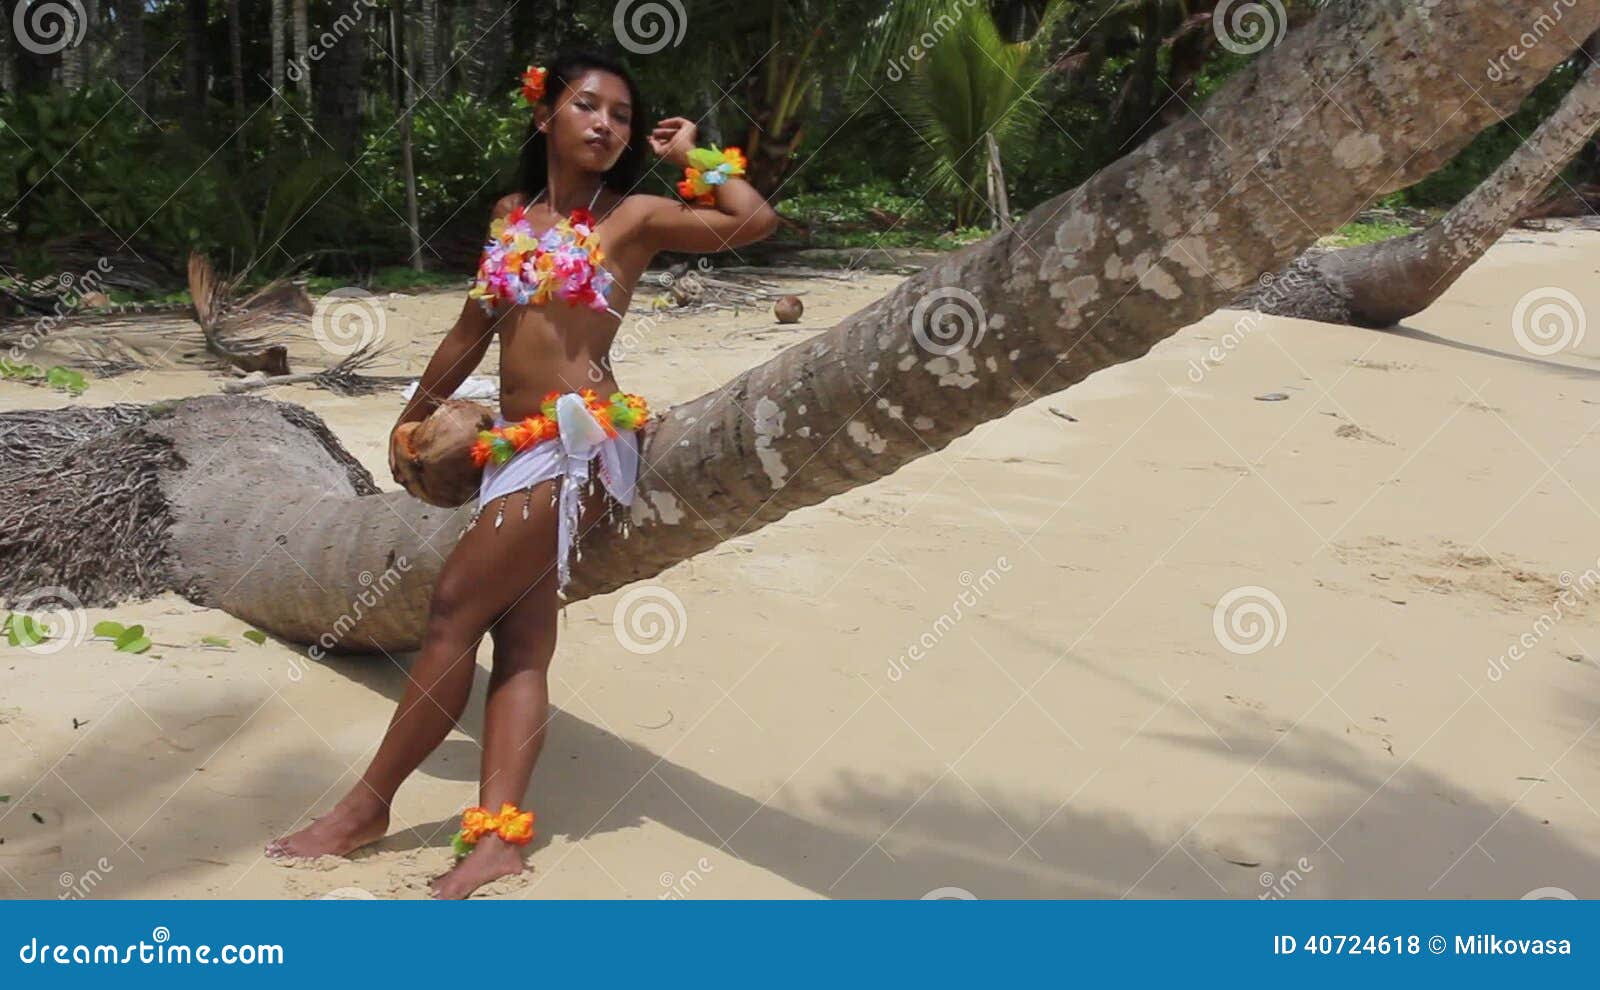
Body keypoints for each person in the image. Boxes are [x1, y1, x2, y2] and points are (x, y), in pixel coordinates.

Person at [265, 49, 780, 899]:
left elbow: (752, 219)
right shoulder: (513, 215)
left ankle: (367, 806)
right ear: (545, 116)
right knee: (522, 640)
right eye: (588, 106)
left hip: (579, 445)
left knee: (452, 611)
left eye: (620, 113)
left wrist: (696, 155)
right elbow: (472, 329)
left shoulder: (638, 216)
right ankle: (498, 836)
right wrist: (415, 411)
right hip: (510, 443)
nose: (606, 124)